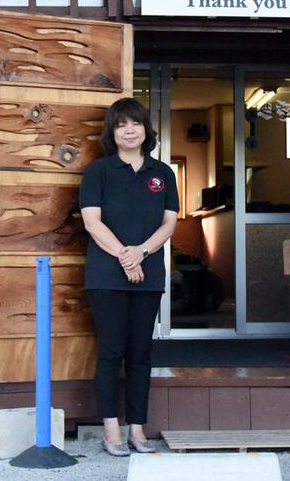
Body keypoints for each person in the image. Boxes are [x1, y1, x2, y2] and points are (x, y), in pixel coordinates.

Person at [79, 97, 179, 456]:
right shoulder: (98, 171)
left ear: (145, 130)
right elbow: (93, 222)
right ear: (113, 132)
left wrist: (142, 253)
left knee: (140, 353)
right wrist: (125, 256)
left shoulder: (163, 173)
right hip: (106, 276)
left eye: (135, 123)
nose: (129, 130)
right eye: (121, 125)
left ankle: (137, 430)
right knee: (110, 352)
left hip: (148, 274)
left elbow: (169, 222)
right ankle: (111, 432)